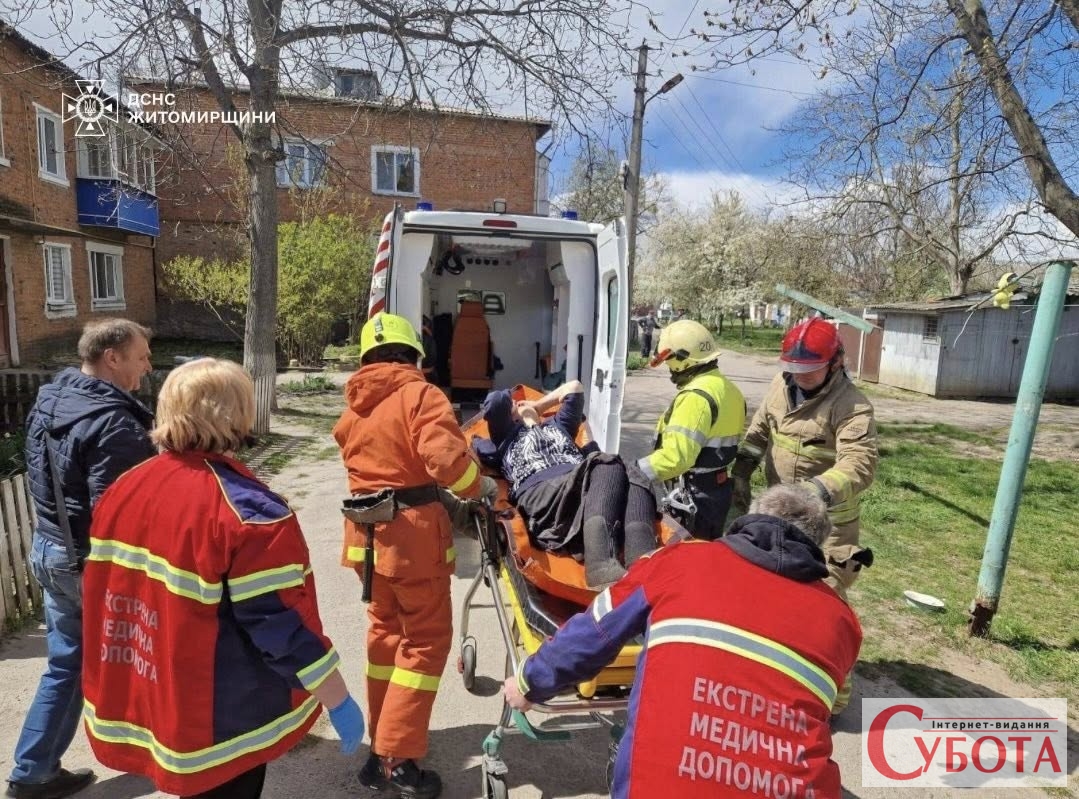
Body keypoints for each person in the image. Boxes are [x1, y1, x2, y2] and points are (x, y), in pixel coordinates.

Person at [81, 358, 363, 798]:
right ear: (237, 416)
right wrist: (337, 696)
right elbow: (281, 627)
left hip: (155, 688)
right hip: (221, 716)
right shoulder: (248, 513)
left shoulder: (126, 487)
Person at [502, 484, 862, 799]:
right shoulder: (842, 621)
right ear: (816, 543)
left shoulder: (681, 561)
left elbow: (593, 632)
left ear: (752, 518)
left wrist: (529, 682)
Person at [333, 312, 492, 799]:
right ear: (413, 356)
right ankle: (396, 760)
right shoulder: (421, 394)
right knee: (423, 644)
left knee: (384, 640)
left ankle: (379, 747)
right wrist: (478, 487)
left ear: (367, 358)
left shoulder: (356, 404)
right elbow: (445, 462)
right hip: (411, 541)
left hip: (367, 540)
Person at [7, 319, 155, 799]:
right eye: (141, 356)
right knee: (142, 651)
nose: (148, 366)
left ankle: (33, 771)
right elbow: (119, 512)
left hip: (49, 548)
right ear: (112, 358)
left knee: (67, 665)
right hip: (87, 561)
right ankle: (165, 748)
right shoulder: (113, 421)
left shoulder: (54, 397)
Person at [731, 318, 878, 598]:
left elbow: (860, 463)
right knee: (773, 590)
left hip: (828, 524)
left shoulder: (852, 406)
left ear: (836, 362)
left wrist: (812, 494)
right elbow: (759, 431)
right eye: (793, 368)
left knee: (821, 594)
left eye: (809, 369)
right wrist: (741, 473)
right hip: (780, 514)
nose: (800, 375)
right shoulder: (780, 384)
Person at [473, 380, 658, 589]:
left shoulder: (558, 426)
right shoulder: (505, 437)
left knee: (632, 472)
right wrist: (520, 412)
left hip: (584, 493)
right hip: (542, 495)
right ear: (510, 415)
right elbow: (496, 402)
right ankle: (600, 565)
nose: (521, 403)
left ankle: (643, 564)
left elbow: (575, 388)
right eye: (516, 404)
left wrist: (538, 406)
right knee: (605, 461)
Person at [639, 319, 745, 541]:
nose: (669, 369)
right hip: (717, 490)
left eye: (669, 362)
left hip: (695, 497)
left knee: (688, 561)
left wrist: (635, 471)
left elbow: (676, 458)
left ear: (681, 360)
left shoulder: (695, 397)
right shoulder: (730, 390)